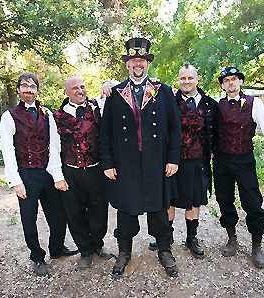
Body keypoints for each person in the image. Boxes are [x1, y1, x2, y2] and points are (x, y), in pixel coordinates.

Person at [100, 37, 182, 278]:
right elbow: (105, 131)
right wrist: (108, 163)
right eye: (134, 60)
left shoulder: (164, 91)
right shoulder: (115, 94)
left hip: (156, 162)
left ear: (148, 63)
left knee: (158, 210)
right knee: (125, 211)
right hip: (126, 164)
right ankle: (124, 252)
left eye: (143, 60)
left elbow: (175, 128)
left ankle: (165, 250)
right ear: (127, 64)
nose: (138, 64)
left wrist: (173, 159)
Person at [0, 73, 77, 276]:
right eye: (24, 86)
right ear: (18, 89)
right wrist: (15, 181)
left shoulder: (47, 114)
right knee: (29, 218)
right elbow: (7, 151)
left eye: (32, 86)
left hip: (47, 172)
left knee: (59, 215)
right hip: (26, 174)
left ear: (37, 90)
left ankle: (56, 248)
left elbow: (54, 145)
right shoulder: (9, 116)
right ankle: (37, 256)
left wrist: (57, 175)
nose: (29, 89)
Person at [213, 66, 264, 269]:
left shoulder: (254, 103)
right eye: (226, 80)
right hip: (222, 160)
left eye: (234, 79)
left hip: (244, 159)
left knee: (252, 202)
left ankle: (256, 245)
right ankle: (232, 237)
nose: (231, 83)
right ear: (223, 85)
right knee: (224, 200)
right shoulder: (218, 104)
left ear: (240, 82)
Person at [147, 62, 218, 259]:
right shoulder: (169, 100)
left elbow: (217, 131)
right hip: (172, 160)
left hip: (198, 161)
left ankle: (191, 238)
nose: (186, 82)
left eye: (190, 78)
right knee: (169, 200)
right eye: (182, 78)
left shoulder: (209, 104)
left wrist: (214, 150)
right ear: (177, 81)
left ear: (197, 79)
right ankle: (166, 238)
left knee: (194, 201)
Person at [53, 76, 114, 269]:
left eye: (82, 87)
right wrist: (58, 176)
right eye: (75, 89)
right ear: (66, 92)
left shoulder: (98, 106)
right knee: (75, 213)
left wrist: (107, 83)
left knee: (99, 210)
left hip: (96, 170)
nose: (80, 91)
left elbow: (119, 88)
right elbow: (53, 148)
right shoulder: (57, 116)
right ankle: (85, 250)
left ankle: (97, 244)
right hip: (71, 172)